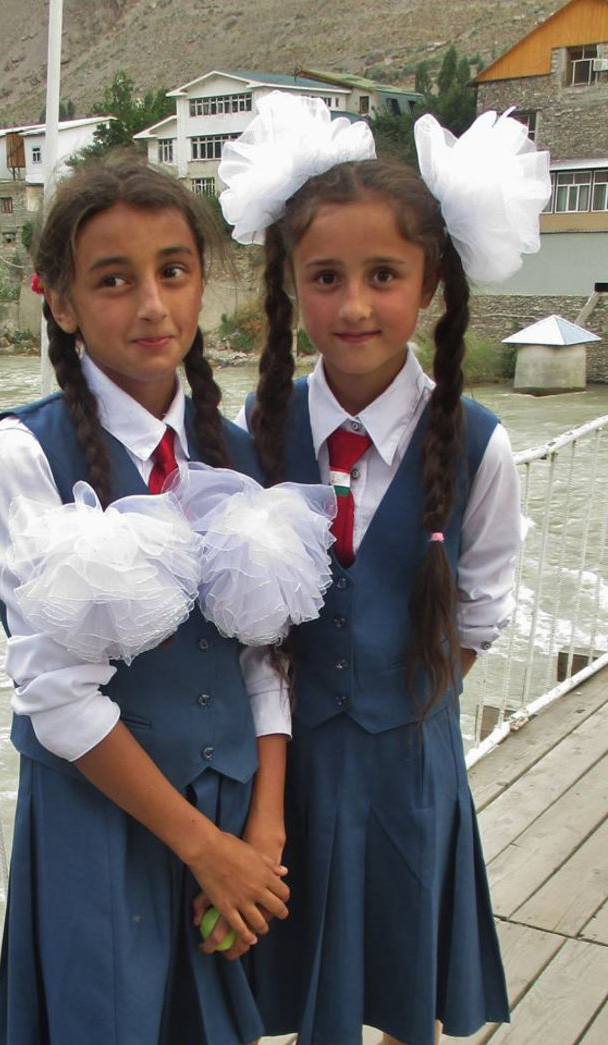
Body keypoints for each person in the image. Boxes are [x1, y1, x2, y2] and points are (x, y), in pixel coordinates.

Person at [218, 93, 551, 1045]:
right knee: (289, 982)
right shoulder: (261, 429)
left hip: (408, 764)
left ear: (429, 282)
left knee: (401, 976)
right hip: (285, 767)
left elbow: (480, 610)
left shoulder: (476, 445)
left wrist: (399, 700)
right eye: (325, 276)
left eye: (382, 275)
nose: (353, 305)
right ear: (290, 282)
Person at [0, 159, 294, 1045]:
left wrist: (260, 831)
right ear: (62, 303)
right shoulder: (23, 458)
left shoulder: (234, 449)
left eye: (173, 270)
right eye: (114, 280)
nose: (152, 305)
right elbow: (57, 691)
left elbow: (262, 654)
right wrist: (205, 848)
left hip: (230, 816)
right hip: (102, 828)